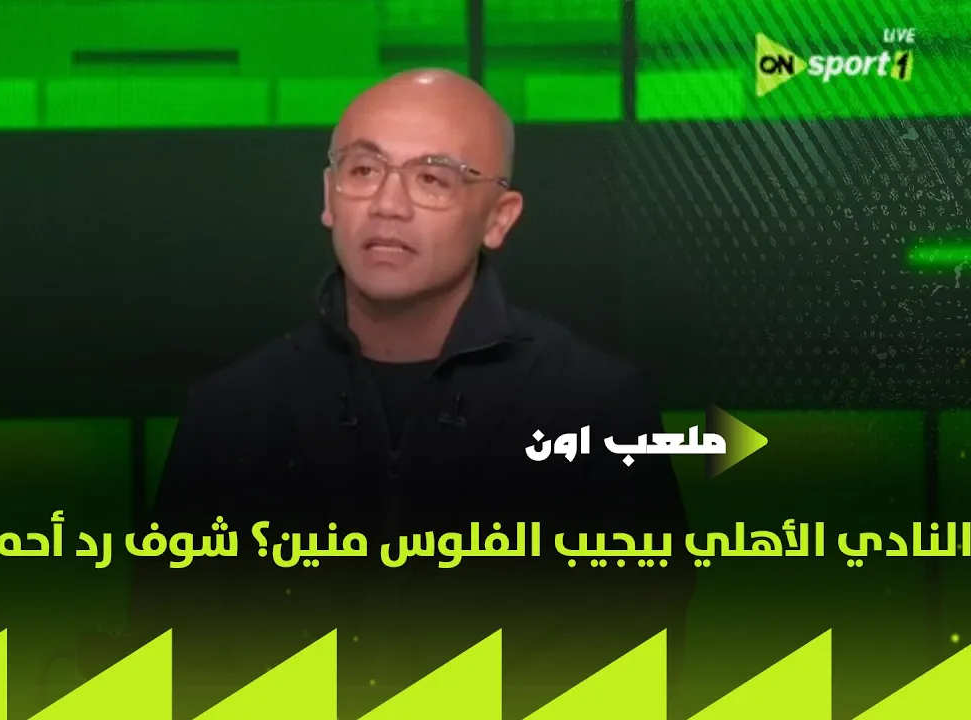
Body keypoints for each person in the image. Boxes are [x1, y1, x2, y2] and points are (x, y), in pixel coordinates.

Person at [127, 69, 694, 719]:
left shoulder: (595, 409)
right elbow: (170, 661)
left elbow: (634, 671)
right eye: (364, 170)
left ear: (499, 219)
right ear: (329, 197)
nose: (388, 204)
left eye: (432, 178)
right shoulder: (229, 412)